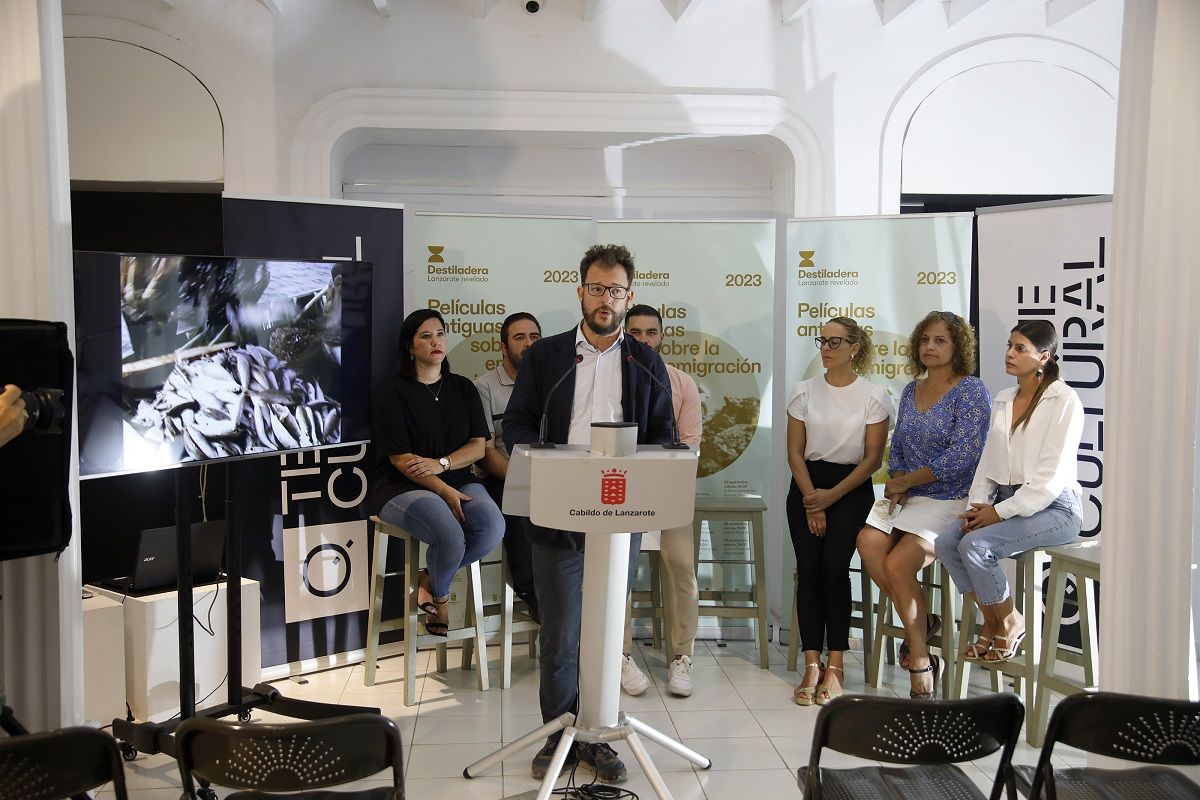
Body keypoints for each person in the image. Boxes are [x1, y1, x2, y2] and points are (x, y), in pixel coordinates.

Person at [504, 244, 674, 785]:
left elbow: (664, 438)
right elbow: (517, 426)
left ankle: (598, 735)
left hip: (619, 517)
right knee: (560, 632)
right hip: (558, 510)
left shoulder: (646, 362)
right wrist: (545, 459)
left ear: (630, 296)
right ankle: (558, 732)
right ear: (580, 291)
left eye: (616, 290)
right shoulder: (546, 356)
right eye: (596, 288)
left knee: (604, 630)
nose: (606, 299)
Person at [855, 311, 991, 698]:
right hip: (909, 496)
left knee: (898, 564)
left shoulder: (970, 390)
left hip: (952, 497)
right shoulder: (912, 389)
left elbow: (963, 456)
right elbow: (898, 445)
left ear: (957, 347)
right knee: (868, 543)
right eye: (925, 339)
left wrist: (905, 481)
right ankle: (922, 619)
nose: (930, 347)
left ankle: (920, 657)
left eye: (940, 341)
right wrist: (897, 482)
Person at [935, 319, 1084, 665]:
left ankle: (1009, 621)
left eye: (1020, 349)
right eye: (1009, 346)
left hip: (1055, 508)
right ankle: (997, 620)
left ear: (1044, 356)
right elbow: (989, 462)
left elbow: (1049, 478)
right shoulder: (1004, 398)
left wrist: (997, 513)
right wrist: (979, 506)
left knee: (976, 545)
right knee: (947, 542)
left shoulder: (1064, 401)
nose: (1010, 354)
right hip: (1004, 500)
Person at [373, 309, 505, 636]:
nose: (436, 341)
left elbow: (477, 447)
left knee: (492, 527)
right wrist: (444, 491)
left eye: (440, 334)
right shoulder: (394, 392)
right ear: (410, 347)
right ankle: (442, 600)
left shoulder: (463, 388)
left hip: (457, 477)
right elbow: (403, 461)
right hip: (401, 486)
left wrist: (442, 464)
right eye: (426, 336)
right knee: (450, 535)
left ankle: (428, 581)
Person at [787, 317, 892, 706]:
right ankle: (811, 663)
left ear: (855, 348)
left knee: (834, 571)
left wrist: (829, 499)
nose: (826, 348)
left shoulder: (873, 395)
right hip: (806, 485)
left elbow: (872, 458)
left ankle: (836, 664)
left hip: (850, 489)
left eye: (835, 342)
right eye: (823, 341)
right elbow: (794, 453)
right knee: (809, 572)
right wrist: (813, 497)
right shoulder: (803, 392)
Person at [620, 304, 702, 698]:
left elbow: (689, 447)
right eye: (634, 332)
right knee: (618, 567)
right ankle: (618, 655)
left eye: (651, 332)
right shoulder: (609, 379)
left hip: (667, 490)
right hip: (619, 491)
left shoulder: (682, 383)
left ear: (662, 336)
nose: (643, 340)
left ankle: (681, 658)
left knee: (683, 564)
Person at [475, 312, 543, 622]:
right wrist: (526, 479)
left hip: (550, 476)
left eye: (534, 338)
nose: (528, 344)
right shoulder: (485, 387)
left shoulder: (553, 383)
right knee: (520, 504)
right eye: (520, 338)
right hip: (502, 478)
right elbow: (485, 453)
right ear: (503, 348)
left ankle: (571, 591)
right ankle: (533, 594)